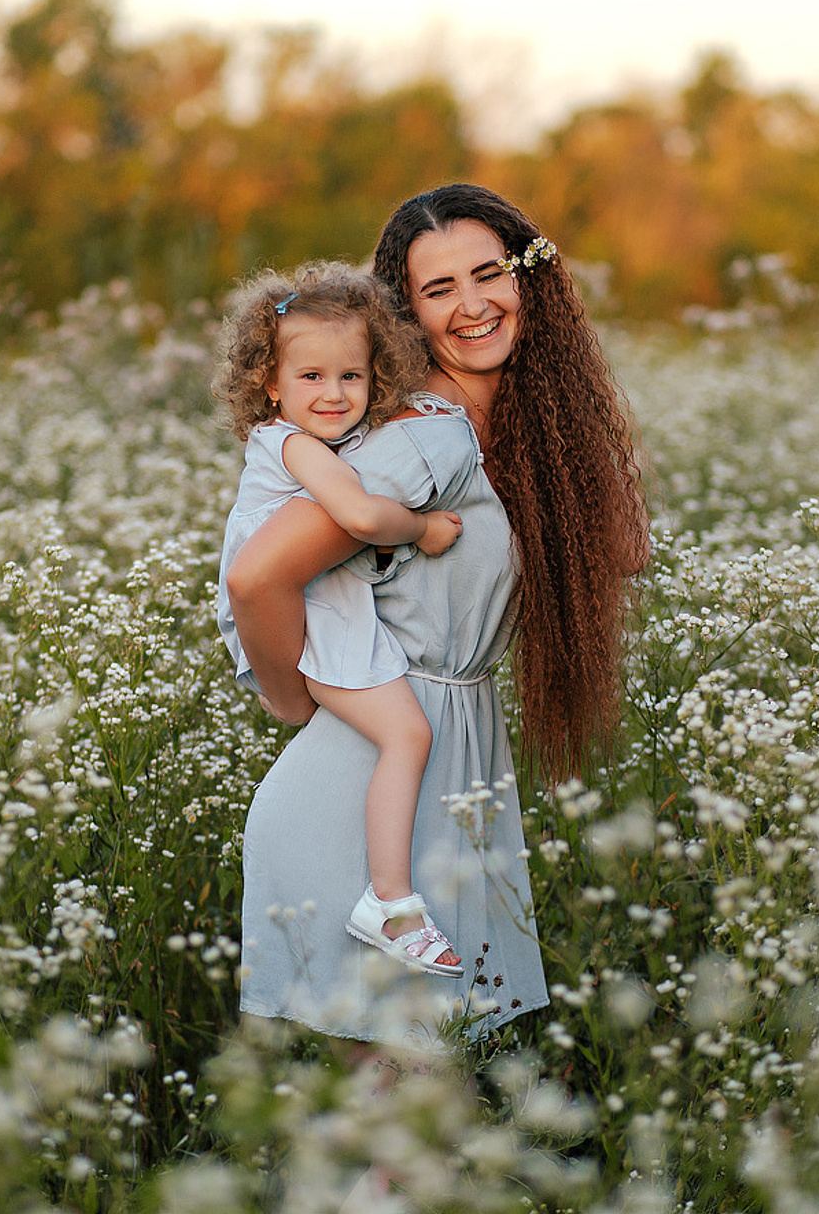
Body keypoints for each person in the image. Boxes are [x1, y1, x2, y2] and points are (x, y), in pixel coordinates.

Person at [226, 184, 648, 1046]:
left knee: (415, 1103)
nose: (472, 306)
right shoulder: (427, 435)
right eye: (437, 289)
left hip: (443, 770)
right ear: (405, 318)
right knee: (407, 1095)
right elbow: (258, 575)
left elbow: (627, 548)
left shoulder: (510, 430)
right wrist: (294, 701)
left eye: (488, 275)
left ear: (531, 282)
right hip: (365, 792)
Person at [212, 263, 465, 976]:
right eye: (311, 378)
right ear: (271, 386)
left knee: (399, 737)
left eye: (351, 377)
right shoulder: (286, 443)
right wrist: (420, 529)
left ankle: (387, 896)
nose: (333, 394)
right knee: (408, 734)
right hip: (301, 616)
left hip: (324, 606)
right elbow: (356, 515)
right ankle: (390, 903)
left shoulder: (335, 441)